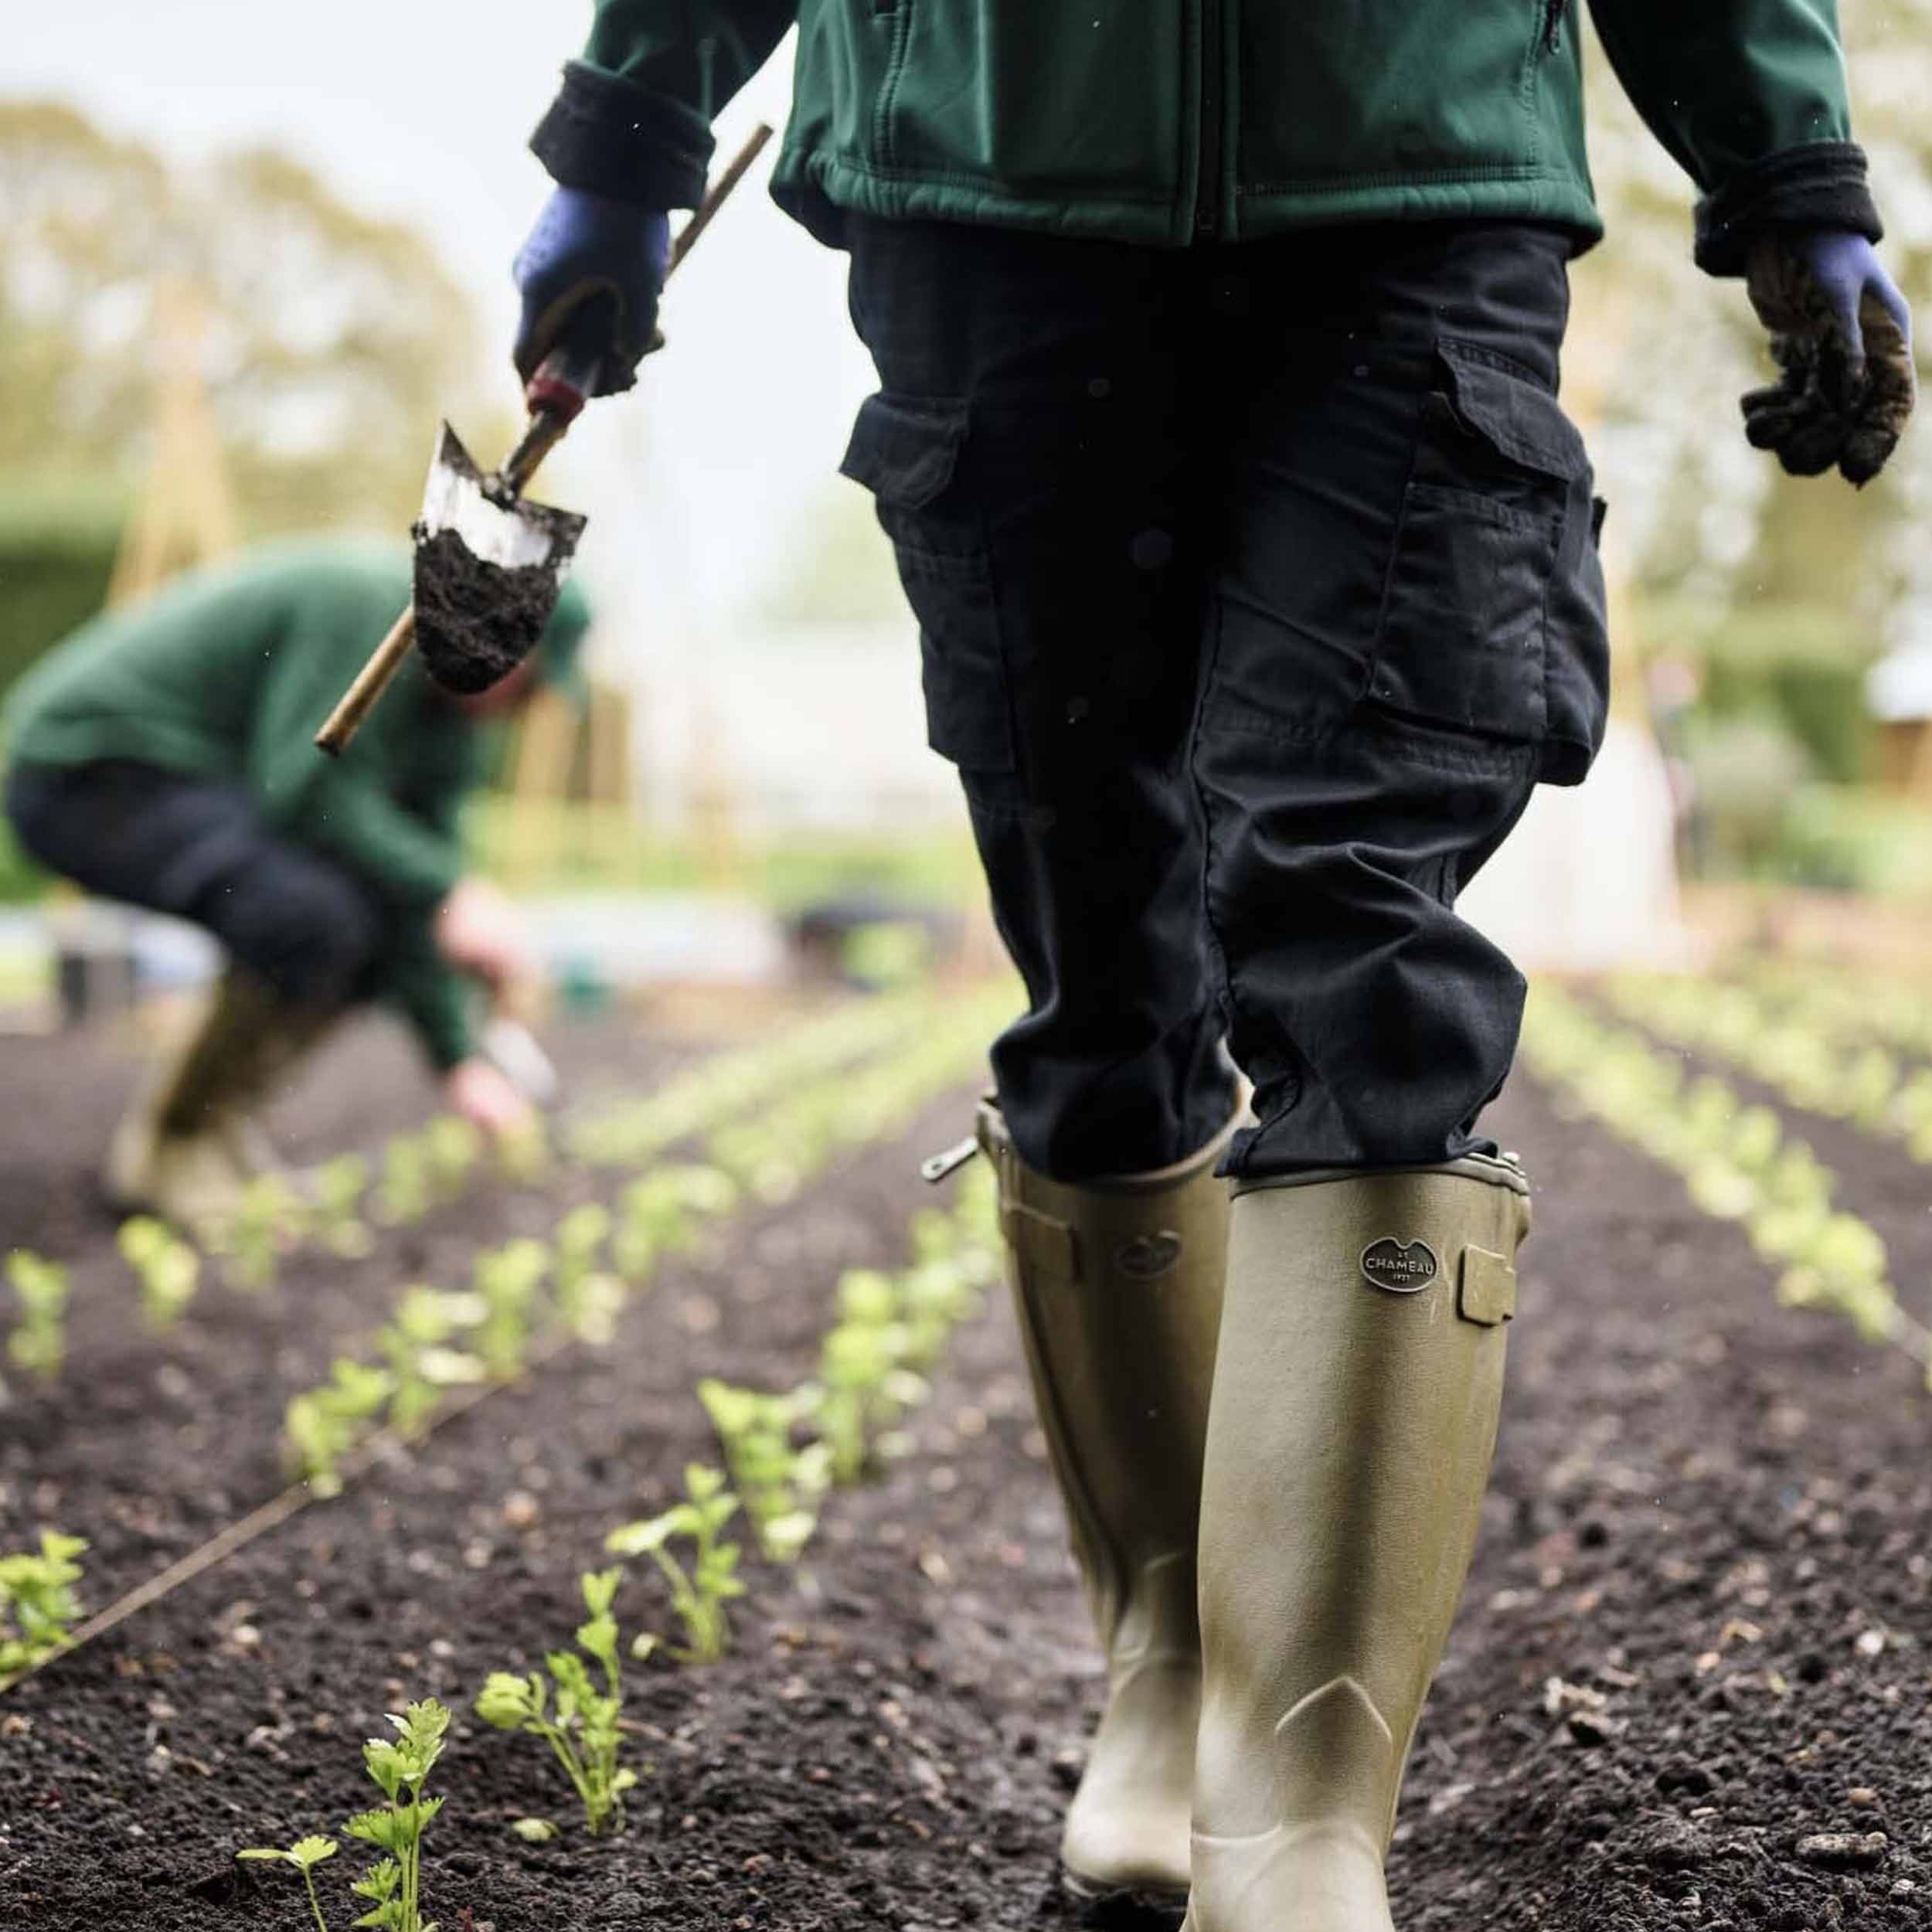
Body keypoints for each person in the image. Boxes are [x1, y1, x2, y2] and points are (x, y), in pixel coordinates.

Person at [508, 7, 1913, 1927]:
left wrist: (1787, 164)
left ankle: (1302, 1811)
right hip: (988, 186)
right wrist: (623, 131)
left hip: (1406, 191)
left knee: (1359, 923)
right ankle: (1168, 1669)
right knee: (1101, 968)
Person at [2, 541, 589, 1231]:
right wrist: (451, 891)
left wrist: (460, 1060)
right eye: (527, 680)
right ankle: (172, 1148)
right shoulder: (368, 614)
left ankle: (213, 1134)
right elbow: (303, 787)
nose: (521, 706)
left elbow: (412, 895)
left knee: (361, 932)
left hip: (193, 786)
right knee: (309, 915)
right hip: (91, 767)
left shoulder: (453, 725)